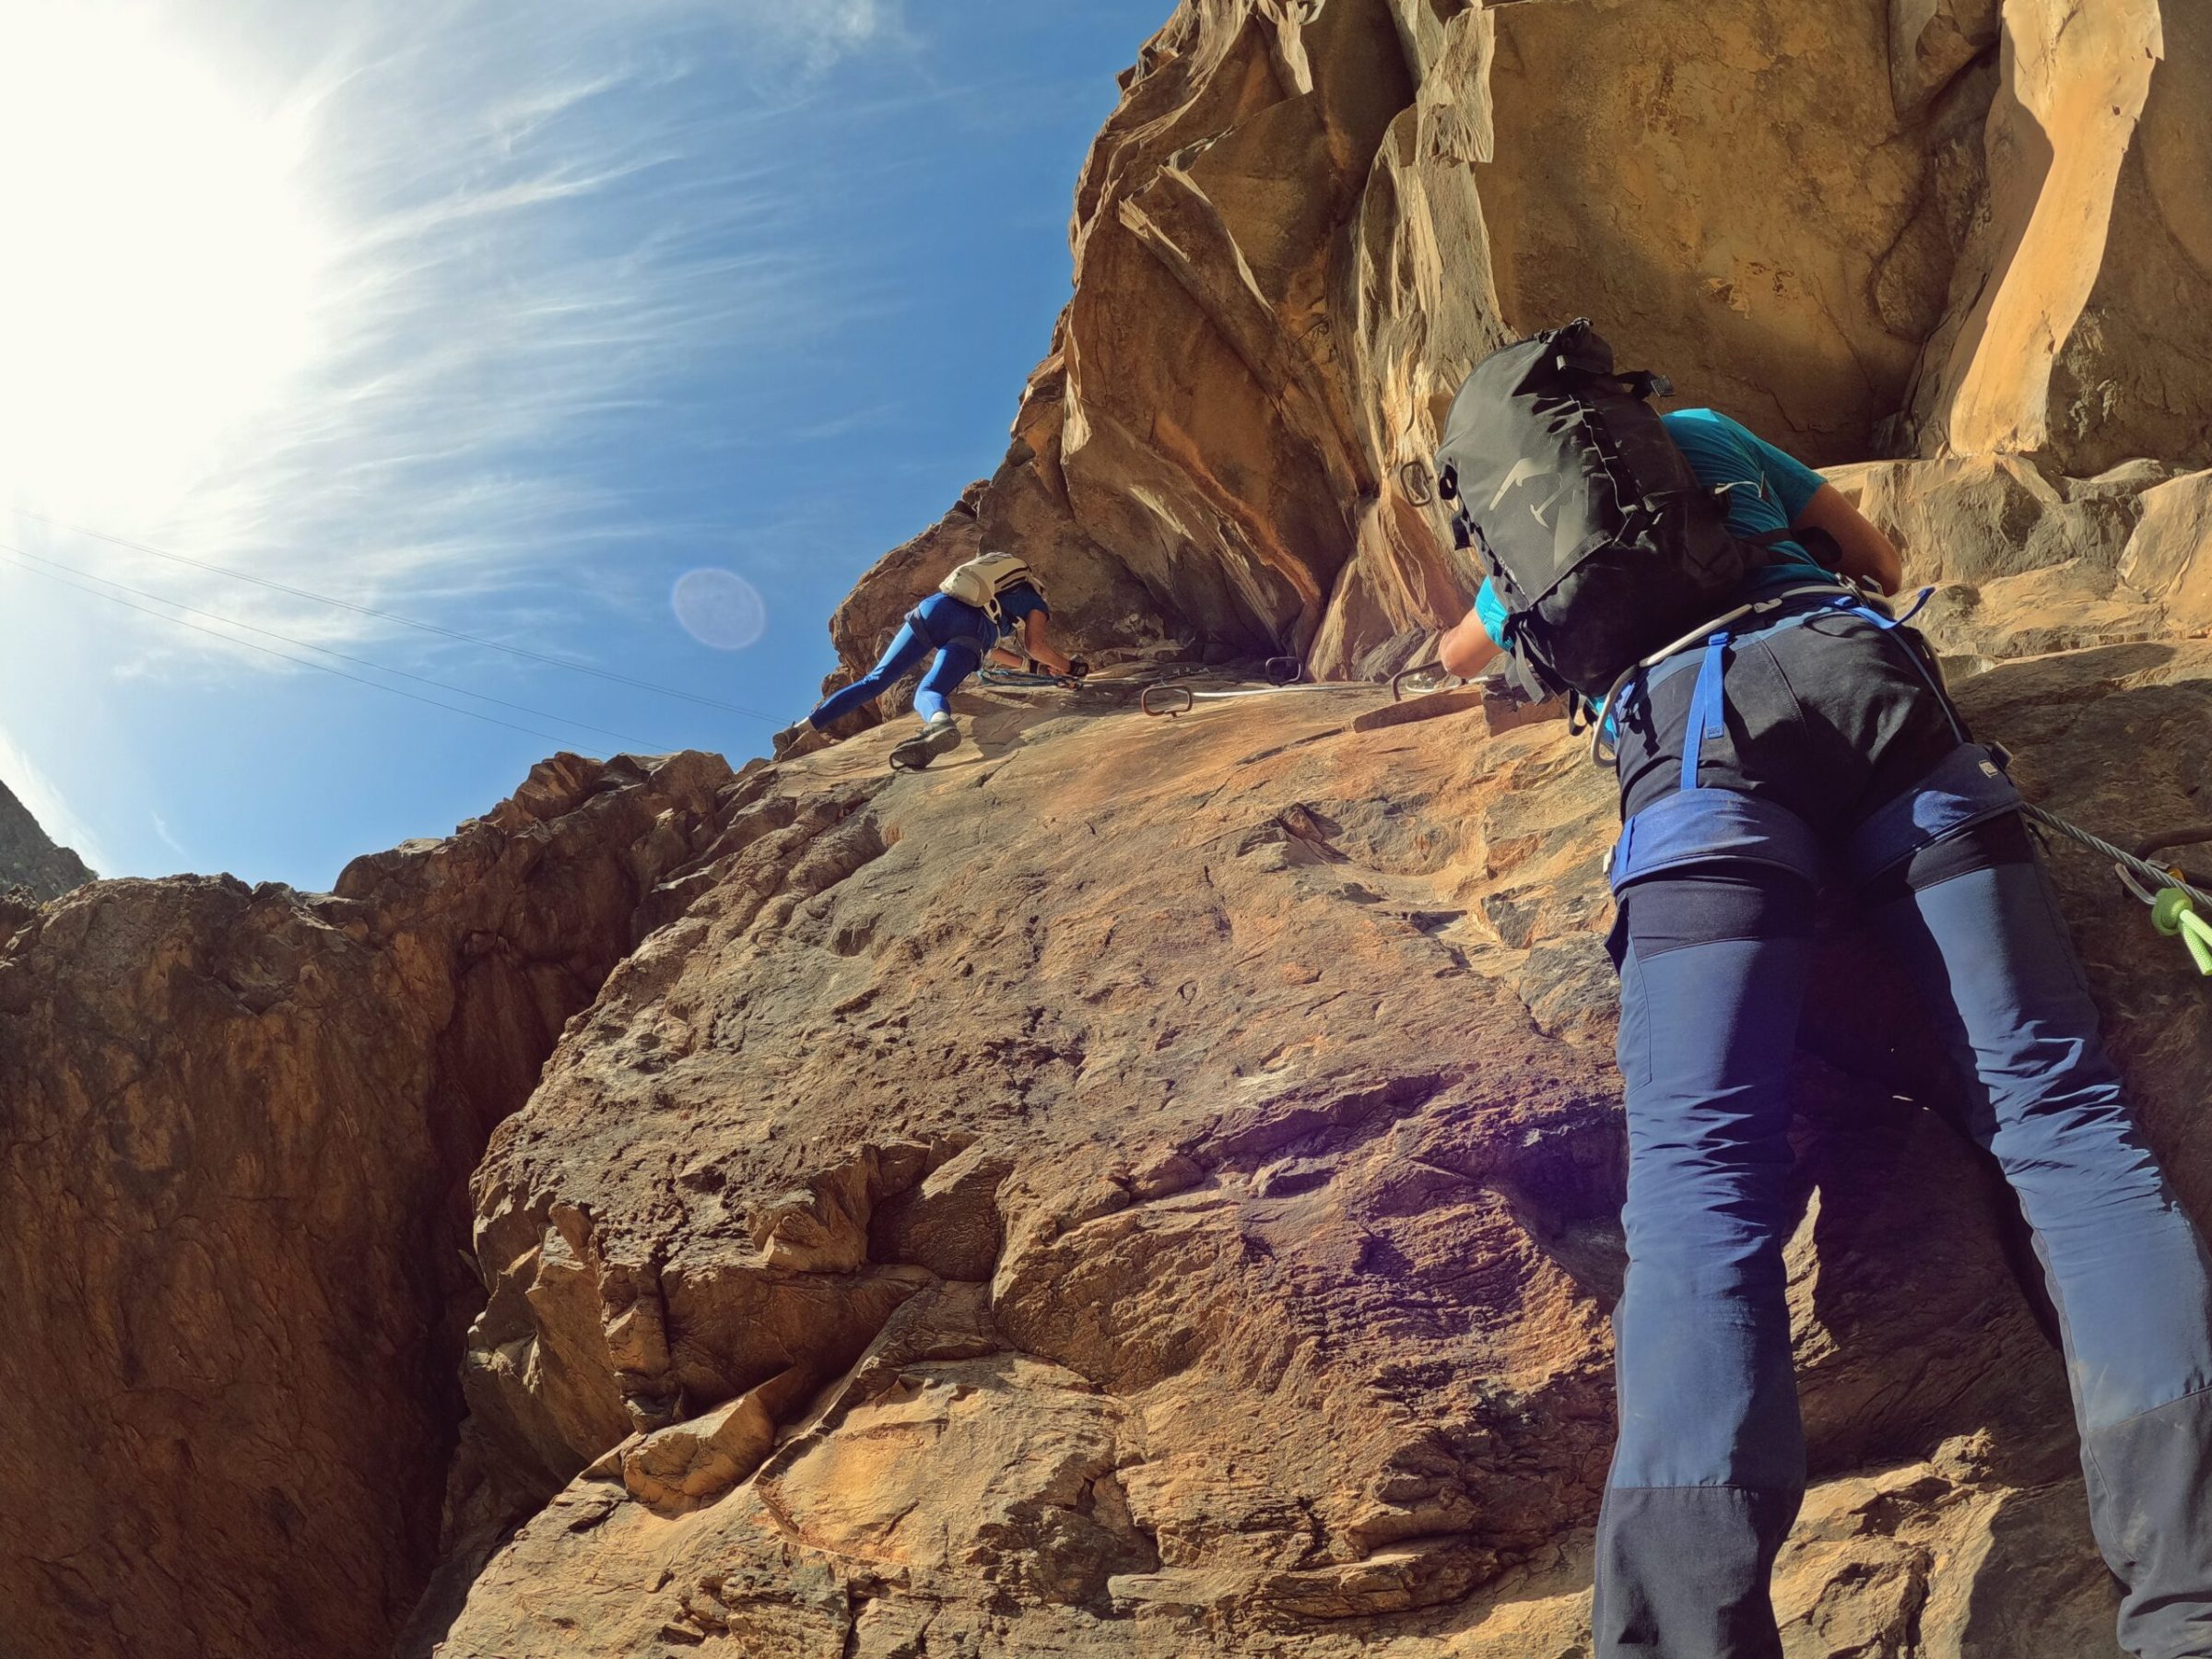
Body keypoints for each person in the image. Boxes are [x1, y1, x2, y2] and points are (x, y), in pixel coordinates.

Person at [1437, 406, 2212, 1659]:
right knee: (2060, 1116)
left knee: (1698, 1189)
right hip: (1872, 695)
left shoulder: (1541, 531)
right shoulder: (1701, 429)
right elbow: (1882, 558)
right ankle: (2195, 1599)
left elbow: (1467, 655)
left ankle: (1688, 1635)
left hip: (1694, 755)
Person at [807, 553, 1081, 771]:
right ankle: (938, 722)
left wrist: (1031, 669)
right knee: (929, 691)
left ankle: (802, 728)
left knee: (875, 681)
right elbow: (1035, 645)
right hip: (974, 631)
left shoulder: (986, 584)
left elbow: (992, 650)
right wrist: (1070, 667)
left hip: (936, 609)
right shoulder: (1035, 601)